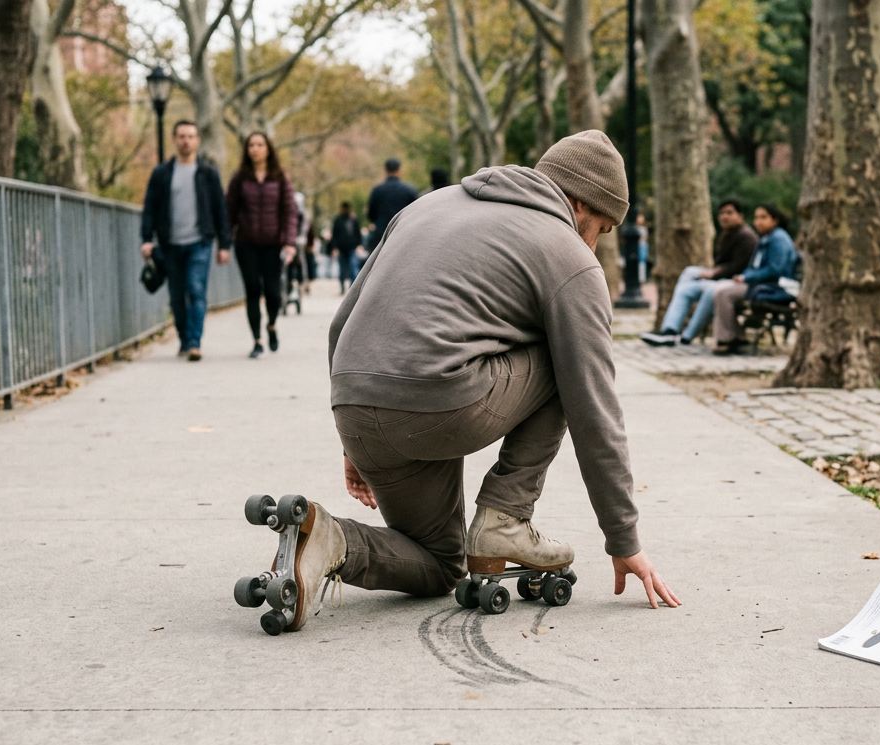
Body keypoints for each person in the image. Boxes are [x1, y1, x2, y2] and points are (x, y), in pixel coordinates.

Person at [262, 130, 681, 633]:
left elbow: (341, 323)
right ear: (577, 202)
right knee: (567, 358)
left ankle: (329, 541)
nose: (593, 245)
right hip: (439, 403)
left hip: (354, 401)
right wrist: (624, 538)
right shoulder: (568, 254)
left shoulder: (427, 206)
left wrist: (352, 438)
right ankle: (506, 518)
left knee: (440, 562)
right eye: (601, 229)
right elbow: (594, 405)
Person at [140, 120, 232, 361]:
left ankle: (194, 342)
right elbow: (150, 207)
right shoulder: (162, 173)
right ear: (174, 139)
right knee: (176, 296)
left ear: (197, 140)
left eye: (191, 136)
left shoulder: (207, 173)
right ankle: (183, 337)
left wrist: (224, 244)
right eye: (181, 136)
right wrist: (147, 239)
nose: (186, 141)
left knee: (196, 289)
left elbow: (219, 209)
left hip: (200, 241)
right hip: (170, 243)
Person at [640, 199, 757, 346]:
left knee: (708, 291)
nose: (724, 217)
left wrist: (713, 274)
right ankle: (670, 330)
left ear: (740, 216)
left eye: (729, 213)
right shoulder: (726, 235)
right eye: (721, 213)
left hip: (733, 282)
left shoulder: (746, 237)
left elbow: (737, 267)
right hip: (721, 278)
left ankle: (686, 336)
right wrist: (713, 273)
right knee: (688, 276)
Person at [226, 132, 298, 358]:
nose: (255, 149)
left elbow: (290, 212)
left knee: (273, 293)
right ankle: (257, 340)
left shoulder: (279, 177)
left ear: (268, 149)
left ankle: (272, 325)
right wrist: (225, 242)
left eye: (259, 145)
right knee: (252, 291)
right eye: (251, 145)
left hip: (273, 244)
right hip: (245, 244)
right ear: (247, 150)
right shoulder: (239, 178)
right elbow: (229, 211)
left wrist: (289, 242)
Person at [711, 204, 798, 355]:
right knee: (720, 289)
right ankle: (737, 335)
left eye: (763, 217)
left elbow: (774, 269)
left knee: (724, 293)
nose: (758, 222)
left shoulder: (778, 239)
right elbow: (754, 266)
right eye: (756, 218)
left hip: (774, 287)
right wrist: (744, 276)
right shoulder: (766, 238)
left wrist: (746, 277)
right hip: (759, 284)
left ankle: (728, 338)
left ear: (774, 220)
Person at [364, 158, 417, 253]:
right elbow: (416, 212)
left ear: (385, 170)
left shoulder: (377, 191)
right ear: (399, 170)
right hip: (403, 233)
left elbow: (371, 215)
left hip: (382, 234)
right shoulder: (409, 190)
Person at [329, 202, 363, 294]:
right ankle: (342, 288)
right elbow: (335, 235)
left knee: (353, 268)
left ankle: (352, 289)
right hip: (341, 248)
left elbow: (357, 233)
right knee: (342, 270)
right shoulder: (338, 220)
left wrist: (359, 245)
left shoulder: (353, 220)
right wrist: (335, 247)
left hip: (352, 248)